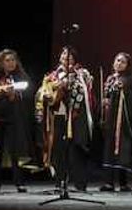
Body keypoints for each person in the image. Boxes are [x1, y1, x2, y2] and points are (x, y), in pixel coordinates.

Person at [36, 46, 94, 191]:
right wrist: (47, 95)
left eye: (69, 55)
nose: (65, 56)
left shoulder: (82, 73)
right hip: (59, 115)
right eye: (63, 53)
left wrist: (72, 84)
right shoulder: (52, 76)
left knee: (76, 150)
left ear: (74, 59)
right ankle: (60, 181)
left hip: (76, 116)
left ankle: (80, 183)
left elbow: (86, 92)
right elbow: (43, 93)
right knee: (58, 150)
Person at [0, 49, 34, 193]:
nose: (11, 63)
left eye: (13, 60)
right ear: (1, 62)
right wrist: (0, 92)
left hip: (14, 118)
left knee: (15, 151)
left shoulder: (21, 76)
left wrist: (16, 94)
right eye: (7, 60)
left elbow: (29, 93)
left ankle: (19, 183)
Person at [100, 52, 132, 192]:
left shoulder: (130, 80)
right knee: (109, 150)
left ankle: (123, 183)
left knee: (122, 152)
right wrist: (105, 102)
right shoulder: (110, 79)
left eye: (123, 62)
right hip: (110, 121)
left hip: (123, 123)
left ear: (127, 65)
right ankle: (108, 183)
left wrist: (124, 93)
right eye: (117, 60)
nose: (119, 63)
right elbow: (106, 97)